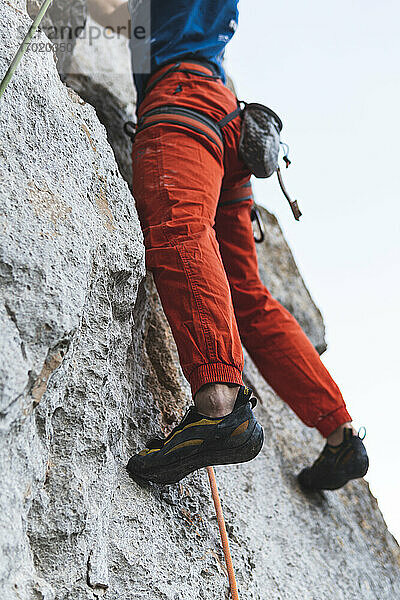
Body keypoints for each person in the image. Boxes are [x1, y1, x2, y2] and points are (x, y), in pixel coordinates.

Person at [87, 0, 369, 489]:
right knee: (248, 297)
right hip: (224, 119)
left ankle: (219, 407)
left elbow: (107, 11)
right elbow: (119, 16)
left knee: (180, 228)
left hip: (185, 104)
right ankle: (341, 434)